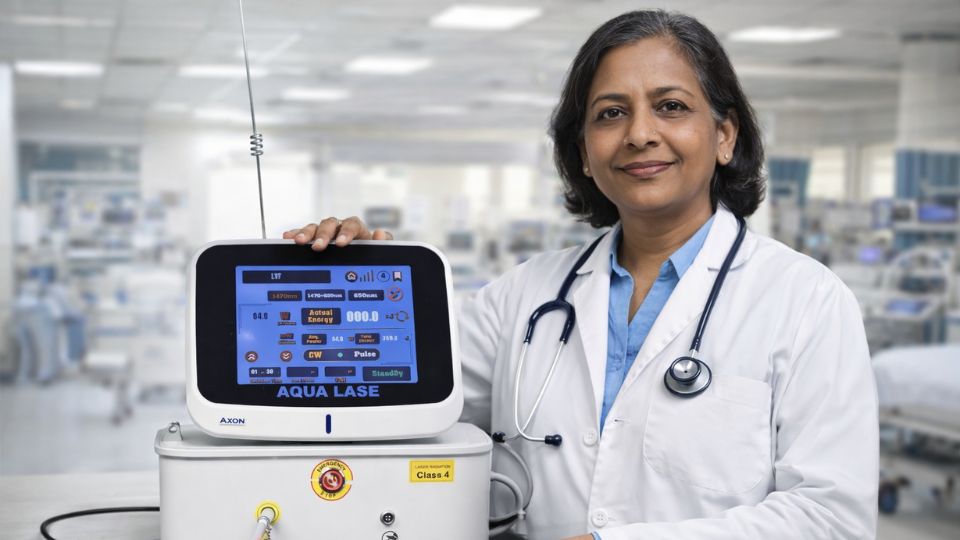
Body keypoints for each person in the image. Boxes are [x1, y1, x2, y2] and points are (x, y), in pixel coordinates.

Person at [285, 10, 878, 540]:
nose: (640, 134)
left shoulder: (806, 300)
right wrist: (355, 287)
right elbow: (390, 400)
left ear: (724, 135)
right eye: (610, 114)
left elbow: (832, 518)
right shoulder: (523, 296)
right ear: (585, 154)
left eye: (671, 106)